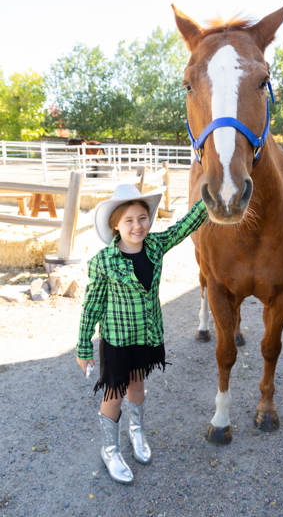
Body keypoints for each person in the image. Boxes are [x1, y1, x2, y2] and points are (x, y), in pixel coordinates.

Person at [76, 184, 208, 484]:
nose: (137, 226)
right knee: (114, 394)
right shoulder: (103, 261)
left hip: (145, 336)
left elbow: (184, 225)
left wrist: (208, 197)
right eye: (129, 220)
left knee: (137, 385)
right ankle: (110, 449)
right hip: (117, 341)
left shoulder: (156, 245)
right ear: (115, 225)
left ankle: (137, 432)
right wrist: (83, 347)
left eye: (142, 218)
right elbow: (92, 305)